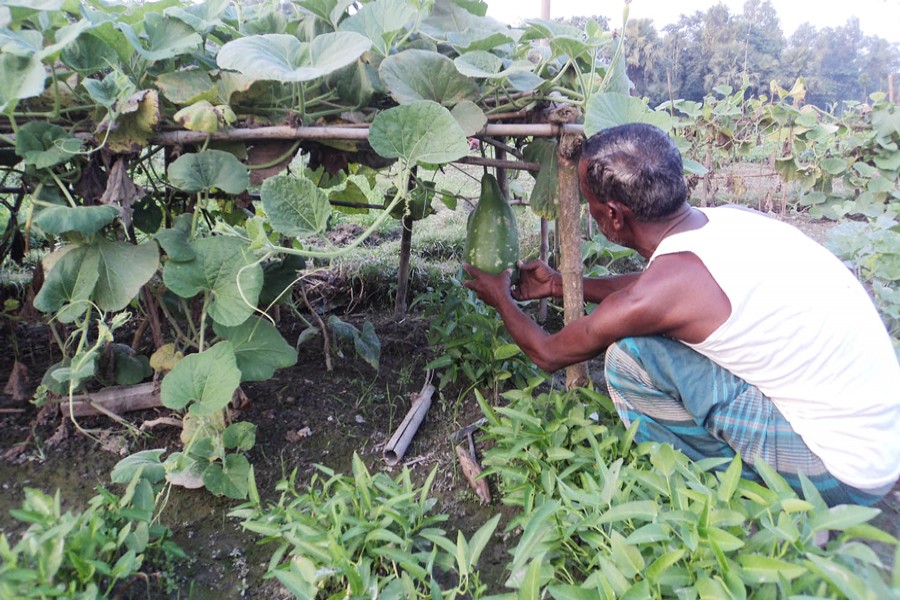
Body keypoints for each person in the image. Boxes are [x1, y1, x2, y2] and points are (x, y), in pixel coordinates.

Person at [462, 123, 900, 507]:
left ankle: (725, 493)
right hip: (879, 441)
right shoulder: (726, 224)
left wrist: (500, 296)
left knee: (629, 359)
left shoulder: (665, 290)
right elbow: (652, 286)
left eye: (589, 205)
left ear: (614, 216)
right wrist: (558, 284)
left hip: (842, 473)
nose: (589, 213)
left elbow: (548, 352)